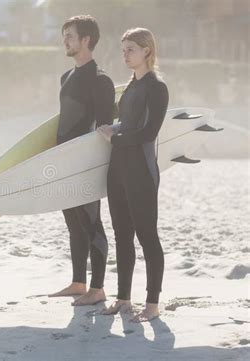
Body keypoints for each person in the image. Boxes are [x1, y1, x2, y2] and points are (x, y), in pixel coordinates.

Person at [97, 27, 169, 322]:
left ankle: (152, 305)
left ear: (147, 51)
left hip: (140, 170)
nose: (125, 55)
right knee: (122, 235)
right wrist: (112, 128)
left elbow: (148, 132)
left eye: (131, 50)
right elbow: (127, 123)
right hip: (117, 169)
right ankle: (123, 298)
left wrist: (114, 137)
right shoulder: (129, 87)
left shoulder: (156, 87)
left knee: (147, 236)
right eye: (123, 49)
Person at [48, 15, 115, 306]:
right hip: (64, 161)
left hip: (84, 164)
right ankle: (78, 282)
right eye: (64, 35)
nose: (65, 40)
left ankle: (97, 288)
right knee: (73, 224)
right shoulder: (66, 77)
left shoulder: (101, 81)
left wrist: (91, 165)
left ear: (86, 40)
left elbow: (104, 128)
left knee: (91, 223)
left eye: (70, 35)